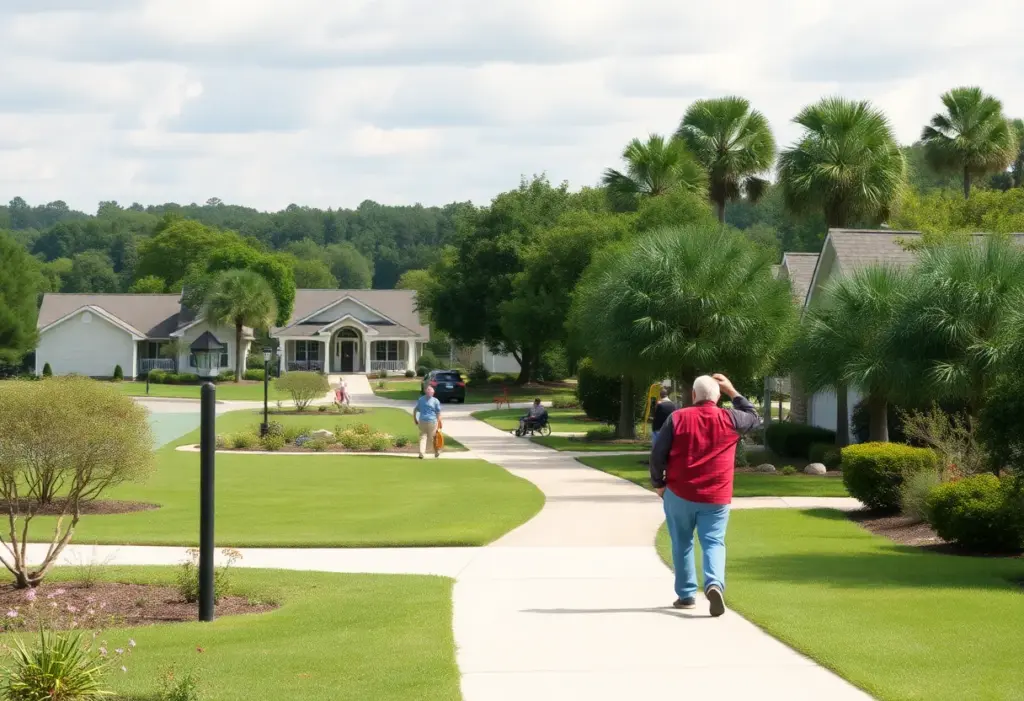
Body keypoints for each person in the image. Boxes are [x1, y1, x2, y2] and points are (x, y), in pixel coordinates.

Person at [650, 373, 761, 617]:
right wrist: (733, 391)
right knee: (713, 541)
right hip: (717, 495)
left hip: (679, 492)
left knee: (682, 542)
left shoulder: (677, 418)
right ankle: (714, 584)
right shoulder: (731, 418)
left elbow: (658, 454)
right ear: (718, 397)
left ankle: (687, 594)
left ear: (693, 395)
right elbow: (755, 417)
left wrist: (659, 483)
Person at [413, 385, 443, 459]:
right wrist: (440, 422)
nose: (430, 393)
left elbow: (416, 410)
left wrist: (415, 419)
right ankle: (436, 452)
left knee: (422, 437)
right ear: (433, 393)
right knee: (434, 437)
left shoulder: (421, 399)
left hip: (422, 420)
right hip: (432, 421)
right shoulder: (435, 401)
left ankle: (421, 453)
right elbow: (438, 412)